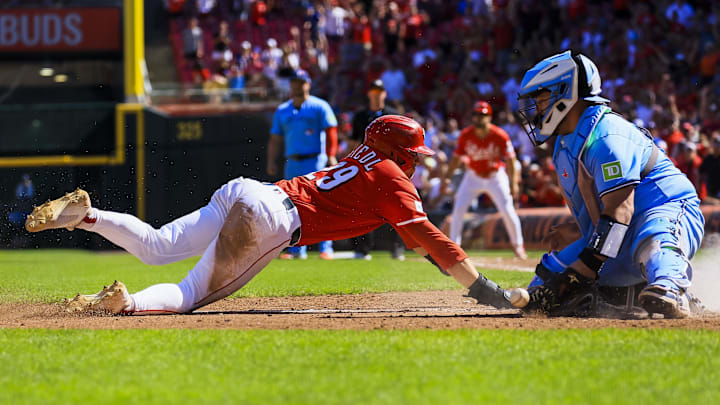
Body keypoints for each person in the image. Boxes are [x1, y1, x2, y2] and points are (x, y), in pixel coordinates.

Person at [25, 115, 515, 315]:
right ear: (400, 153)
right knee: (187, 294)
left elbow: (419, 242)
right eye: (414, 154)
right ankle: (126, 303)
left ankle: (87, 217)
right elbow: (432, 238)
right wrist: (484, 290)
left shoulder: (360, 159)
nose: (416, 162)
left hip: (251, 190)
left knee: (156, 245)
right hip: (274, 220)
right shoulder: (392, 178)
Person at [516, 50, 705, 318]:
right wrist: (578, 240)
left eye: (541, 98)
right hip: (617, 229)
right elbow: (604, 221)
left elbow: (621, 209)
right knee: (544, 285)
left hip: (666, 209)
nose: (536, 109)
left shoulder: (606, 136)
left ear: (564, 92)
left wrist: (585, 267)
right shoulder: (564, 144)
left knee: (653, 238)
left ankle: (671, 286)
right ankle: (628, 297)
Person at [440, 101, 527, 259]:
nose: (479, 118)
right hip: (473, 176)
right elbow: (455, 159)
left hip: (495, 176)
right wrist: (446, 179)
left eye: (483, 114)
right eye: (476, 114)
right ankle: (454, 247)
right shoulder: (466, 135)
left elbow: (511, 160)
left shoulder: (499, 135)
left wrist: (514, 182)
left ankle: (518, 246)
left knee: (507, 210)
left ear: (489, 117)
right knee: (458, 209)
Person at [266, 69, 338, 260]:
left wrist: (331, 155)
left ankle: (326, 247)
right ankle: (297, 249)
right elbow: (275, 138)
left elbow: (331, 131)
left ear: (308, 84)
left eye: (301, 82)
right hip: (293, 162)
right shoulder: (283, 110)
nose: (298, 86)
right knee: (292, 204)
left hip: (316, 160)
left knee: (322, 202)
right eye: (295, 82)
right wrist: (272, 160)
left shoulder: (319, 106)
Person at [347, 79, 403, 260]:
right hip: (365, 167)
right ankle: (361, 250)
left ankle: (397, 248)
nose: (377, 94)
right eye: (374, 91)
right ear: (369, 93)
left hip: (388, 167)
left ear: (385, 94)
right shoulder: (360, 116)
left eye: (380, 91)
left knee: (396, 207)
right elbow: (353, 142)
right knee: (360, 209)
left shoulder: (393, 115)